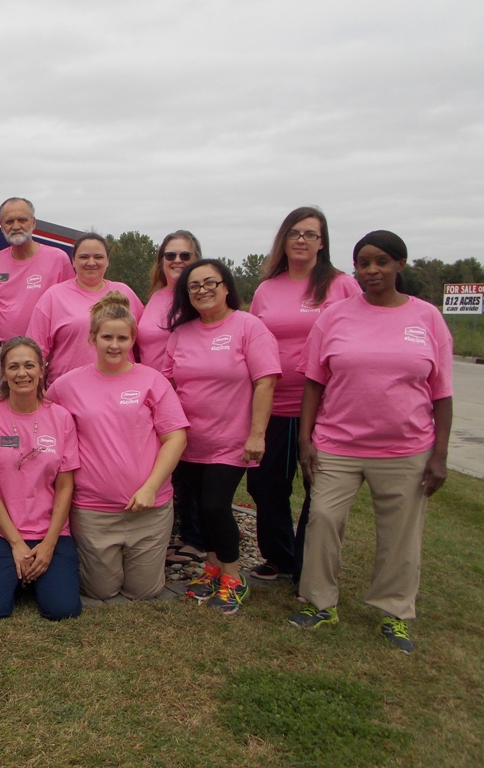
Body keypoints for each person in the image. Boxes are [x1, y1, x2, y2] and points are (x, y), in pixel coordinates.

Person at [290, 231, 452, 654]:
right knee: (322, 519)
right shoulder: (335, 316)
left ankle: (394, 612)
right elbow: (314, 382)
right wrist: (305, 440)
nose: (372, 270)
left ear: (400, 264)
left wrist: (440, 455)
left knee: (400, 535)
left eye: (381, 261)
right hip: (337, 443)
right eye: (363, 263)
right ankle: (320, 603)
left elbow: (442, 392)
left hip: (406, 448)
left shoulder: (427, 318)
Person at [48, 293, 188, 604]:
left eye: (122, 338)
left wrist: (150, 488)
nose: (114, 345)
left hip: (148, 510)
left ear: (132, 339)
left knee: (143, 591)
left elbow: (176, 438)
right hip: (93, 511)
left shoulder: (152, 381)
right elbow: (42, 422)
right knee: (100, 590)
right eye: (107, 337)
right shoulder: (67, 386)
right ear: (92, 339)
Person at [246, 207, 361, 584]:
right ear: (283, 239)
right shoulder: (267, 288)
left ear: (322, 242)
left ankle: (308, 563)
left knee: (320, 488)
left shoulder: (341, 285)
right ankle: (281, 557)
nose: (301, 240)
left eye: (311, 234)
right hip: (274, 406)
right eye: (295, 232)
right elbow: (253, 339)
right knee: (265, 485)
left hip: (327, 408)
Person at [164, 259, 280, 614]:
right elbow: (168, 384)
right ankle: (212, 569)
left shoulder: (249, 326)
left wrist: (257, 434)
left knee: (216, 506)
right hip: (189, 442)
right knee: (201, 508)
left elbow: (265, 381)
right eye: (194, 286)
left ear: (226, 286)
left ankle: (233, 577)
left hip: (231, 441)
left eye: (209, 282)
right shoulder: (181, 333)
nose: (202, 290)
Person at [0, 337, 82, 621]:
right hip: (1, 532)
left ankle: (31, 576)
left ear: (42, 369)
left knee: (62, 609)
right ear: (4, 373)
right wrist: (17, 544)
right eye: (14, 366)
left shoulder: (61, 418)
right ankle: (16, 574)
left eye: (30, 365)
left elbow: (65, 486)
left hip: (50, 531)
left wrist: (49, 544)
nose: (22, 373)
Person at [137, 230, 205, 567]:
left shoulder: (196, 297)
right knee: (167, 465)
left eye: (185, 255)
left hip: (185, 393)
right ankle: (178, 531)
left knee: (192, 464)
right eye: (170, 255)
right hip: (151, 394)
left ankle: (198, 537)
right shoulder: (156, 297)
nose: (177, 261)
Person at [0, 198, 74, 401]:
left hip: (42, 353)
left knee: (41, 407)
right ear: (1, 226)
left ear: (34, 223)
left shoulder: (58, 259)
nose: (16, 226)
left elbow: (70, 307)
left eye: (22, 220)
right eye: (9, 221)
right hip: (1, 351)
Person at [28, 233, 144, 385]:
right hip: (68, 390)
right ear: (73, 260)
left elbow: (143, 345)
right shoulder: (53, 296)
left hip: (121, 387)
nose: (91, 262)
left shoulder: (125, 293)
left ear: (108, 260)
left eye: (98, 257)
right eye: (84, 257)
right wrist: (37, 389)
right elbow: (35, 353)